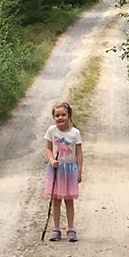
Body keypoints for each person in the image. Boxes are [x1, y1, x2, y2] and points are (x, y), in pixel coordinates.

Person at [44, 101, 83, 241]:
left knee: (68, 200)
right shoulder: (52, 130)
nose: (60, 118)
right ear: (53, 117)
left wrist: (79, 171)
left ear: (69, 115)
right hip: (56, 170)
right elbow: (48, 148)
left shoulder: (75, 133)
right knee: (56, 200)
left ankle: (70, 229)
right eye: (57, 115)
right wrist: (51, 160)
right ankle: (56, 229)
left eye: (63, 115)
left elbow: (79, 153)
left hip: (70, 170)